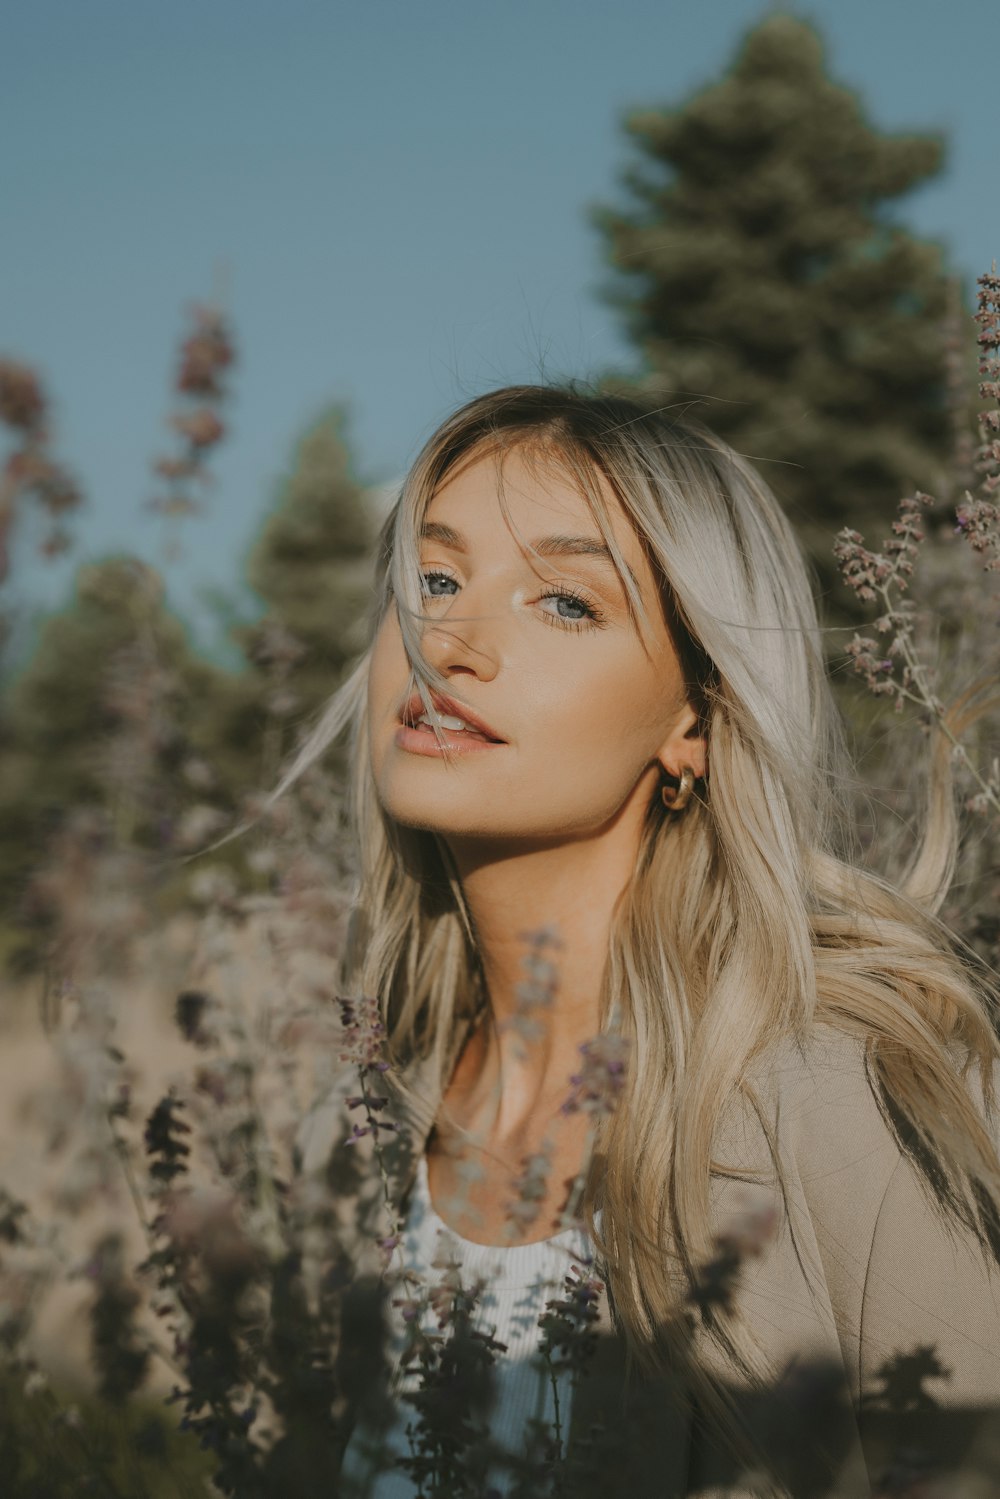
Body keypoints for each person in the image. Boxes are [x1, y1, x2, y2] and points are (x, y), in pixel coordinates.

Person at [290, 384, 1000, 1497]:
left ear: (697, 719)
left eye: (564, 602)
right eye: (431, 579)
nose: (450, 642)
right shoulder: (363, 1114)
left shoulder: (836, 1098)